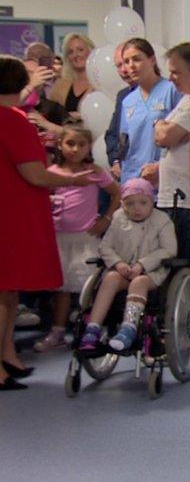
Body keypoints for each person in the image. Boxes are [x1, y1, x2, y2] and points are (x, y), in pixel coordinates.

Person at [0, 55, 97, 390]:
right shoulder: (13, 121)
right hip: (12, 214)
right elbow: (36, 175)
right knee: (3, 290)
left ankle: (8, 355)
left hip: (12, 211)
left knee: (8, 290)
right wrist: (75, 181)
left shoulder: (13, 120)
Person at [34, 124, 120, 353]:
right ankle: (58, 331)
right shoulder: (52, 173)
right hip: (60, 238)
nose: (75, 149)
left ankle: (92, 327)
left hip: (85, 238)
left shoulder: (94, 172)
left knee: (88, 286)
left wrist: (107, 218)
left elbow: (117, 193)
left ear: (89, 147)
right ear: (60, 145)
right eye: (70, 143)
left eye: (81, 144)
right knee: (62, 288)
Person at [78, 178, 177, 353]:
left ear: (152, 202)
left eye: (143, 203)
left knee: (138, 282)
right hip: (124, 270)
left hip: (152, 273)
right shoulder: (118, 218)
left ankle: (128, 328)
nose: (136, 208)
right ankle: (92, 328)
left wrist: (142, 264)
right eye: (130, 204)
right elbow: (105, 246)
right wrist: (118, 263)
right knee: (110, 278)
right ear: (123, 204)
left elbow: (169, 249)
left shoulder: (162, 220)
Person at [154, 42, 190, 281]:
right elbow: (169, 136)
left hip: (187, 203)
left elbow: (166, 136)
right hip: (176, 198)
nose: (171, 79)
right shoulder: (188, 99)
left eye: (176, 72)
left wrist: (161, 126)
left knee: (184, 271)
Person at [118, 38, 181, 185]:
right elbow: (126, 145)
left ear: (152, 60)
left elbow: (183, 137)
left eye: (136, 59)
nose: (131, 66)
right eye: (126, 62)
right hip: (134, 179)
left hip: (163, 177)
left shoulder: (171, 90)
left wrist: (161, 167)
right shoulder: (128, 101)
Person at [106, 42, 138, 181]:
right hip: (126, 173)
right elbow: (112, 134)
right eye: (119, 65)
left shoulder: (164, 90)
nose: (124, 70)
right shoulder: (123, 96)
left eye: (127, 63)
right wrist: (116, 161)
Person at [49, 33, 94, 115]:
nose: (75, 55)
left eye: (80, 50)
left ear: (91, 52)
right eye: (70, 52)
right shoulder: (60, 85)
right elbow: (50, 114)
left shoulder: (101, 84)